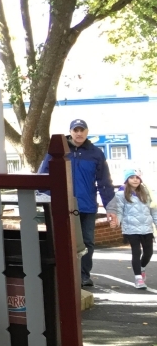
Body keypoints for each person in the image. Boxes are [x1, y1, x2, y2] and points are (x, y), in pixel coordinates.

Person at [38, 119, 115, 287]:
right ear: (71, 131)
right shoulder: (56, 152)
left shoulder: (96, 153)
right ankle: (64, 275)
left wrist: (111, 208)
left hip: (86, 207)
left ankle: (83, 276)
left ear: (87, 132)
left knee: (87, 242)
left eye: (82, 130)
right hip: (63, 207)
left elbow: (104, 182)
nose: (79, 133)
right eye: (76, 130)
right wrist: (55, 198)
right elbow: (43, 178)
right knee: (62, 241)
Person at [107, 170, 156, 289]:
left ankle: (142, 267)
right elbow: (119, 211)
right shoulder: (121, 194)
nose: (135, 180)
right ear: (126, 180)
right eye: (132, 177)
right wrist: (116, 222)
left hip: (147, 228)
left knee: (148, 252)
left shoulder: (146, 193)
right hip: (131, 228)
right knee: (136, 251)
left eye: (137, 178)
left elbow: (153, 210)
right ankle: (138, 278)